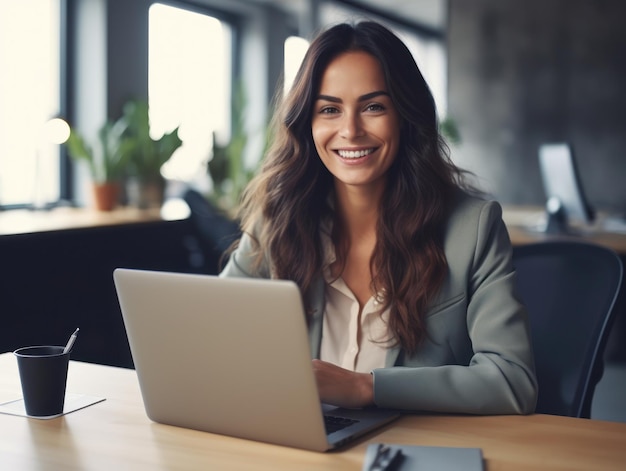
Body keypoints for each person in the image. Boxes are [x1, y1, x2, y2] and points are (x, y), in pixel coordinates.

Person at [220, 20, 537, 415]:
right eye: (329, 109)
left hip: (409, 448)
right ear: (308, 123)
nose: (350, 130)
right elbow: (216, 340)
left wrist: (366, 387)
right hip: (299, 445)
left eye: (373, 107)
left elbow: (511, 380)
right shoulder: (276, 221)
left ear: (405, 116)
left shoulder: (472, 229)